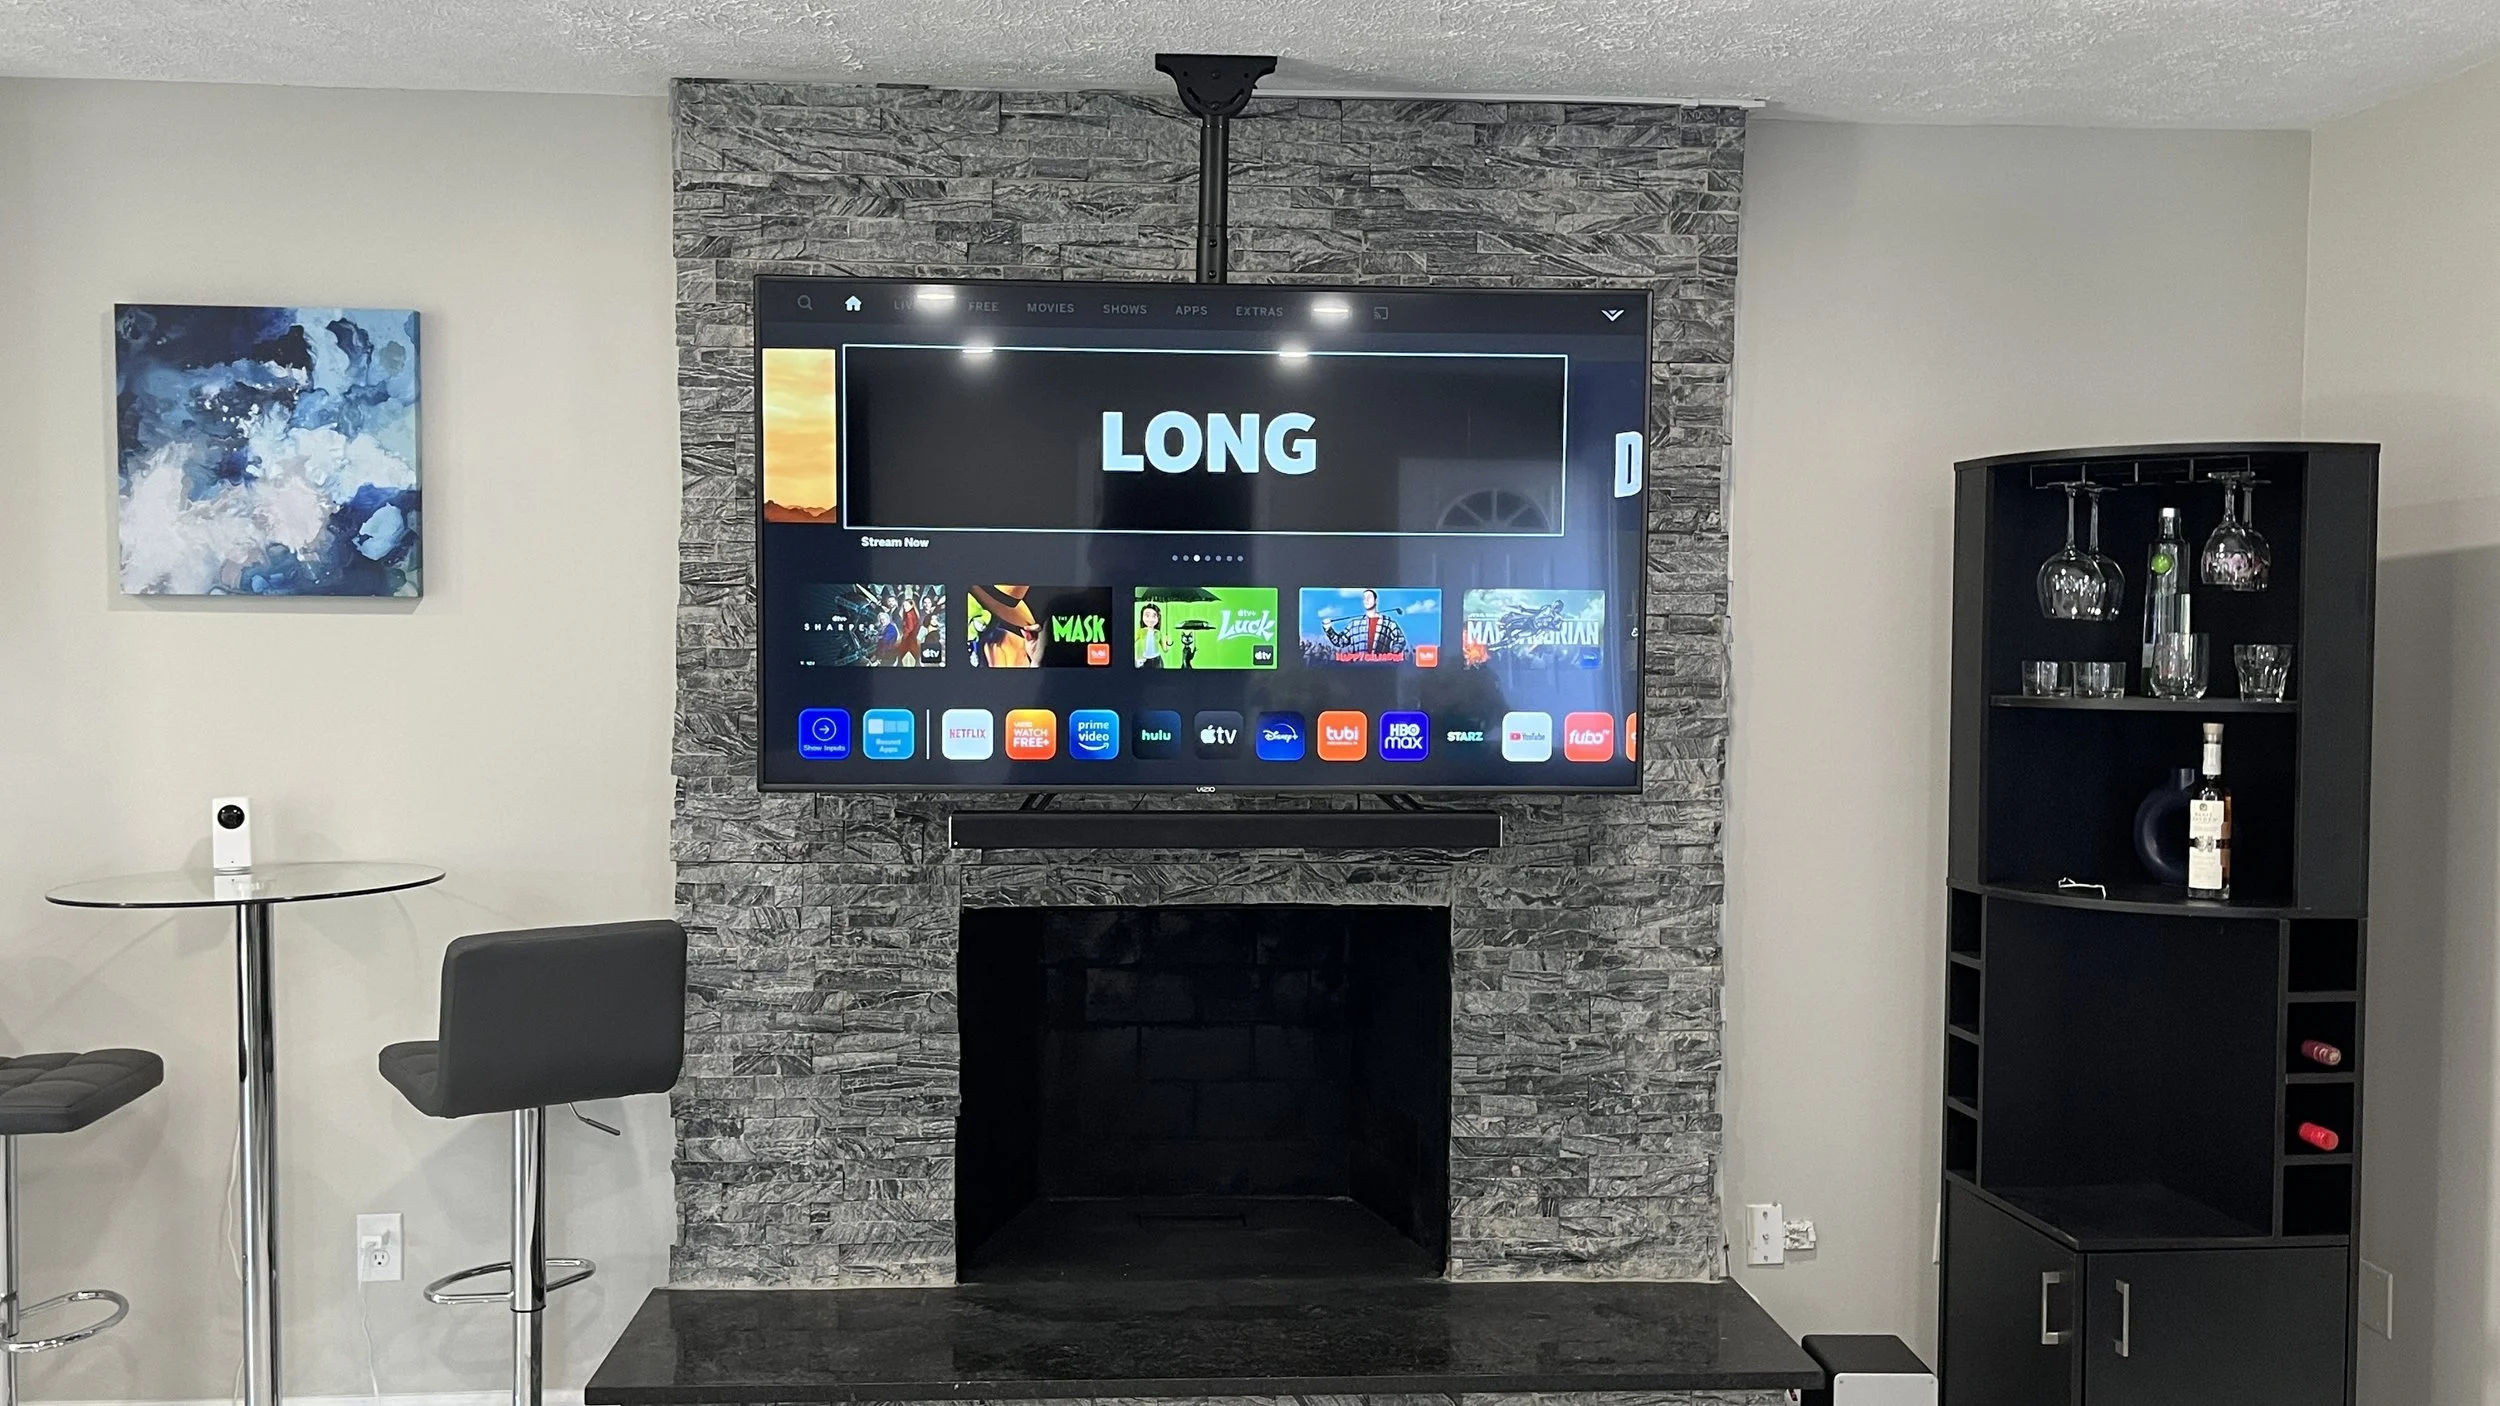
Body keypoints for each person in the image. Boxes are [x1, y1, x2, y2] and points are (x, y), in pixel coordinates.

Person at [1135, 602, 1171, 669]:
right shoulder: (1140, 631)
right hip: (1143, 659)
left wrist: (1167, 643)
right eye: (1147, 615)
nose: (1150, 619)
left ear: (1158, 618)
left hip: (1156, 660)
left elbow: (1165, 649)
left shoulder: (1158, 633)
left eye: (1154, 616)